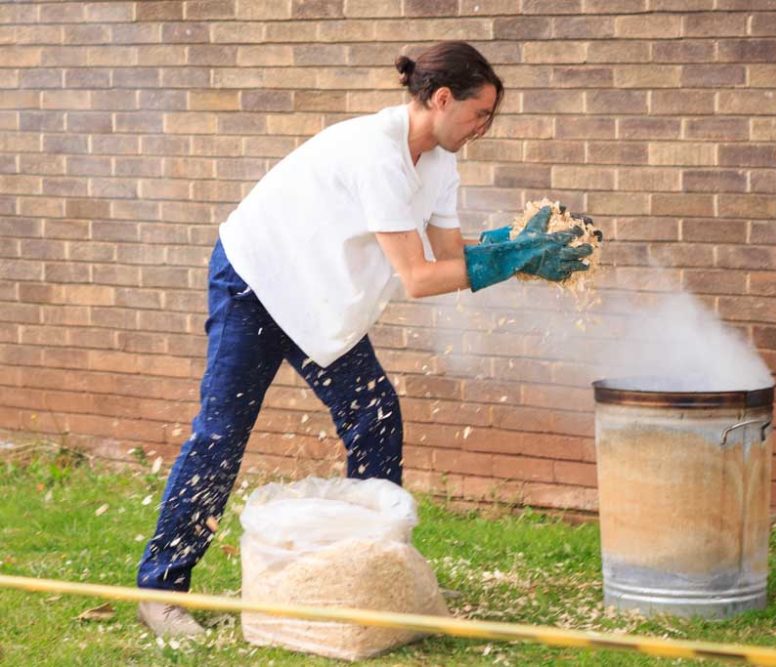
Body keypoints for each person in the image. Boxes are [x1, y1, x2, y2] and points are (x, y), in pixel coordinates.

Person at [135, 40, 593, 637]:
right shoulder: (376, 155)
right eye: (480, 113)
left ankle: (375, 573)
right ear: (442, 98)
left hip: (318, 293)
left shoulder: (439, 163)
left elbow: (449, 255)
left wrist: (514, 249)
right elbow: (421, 277)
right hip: (256, 280)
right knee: (223, 433)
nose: (485, 126)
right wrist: (509, 263)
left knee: (375, 417)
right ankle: (161, 590)